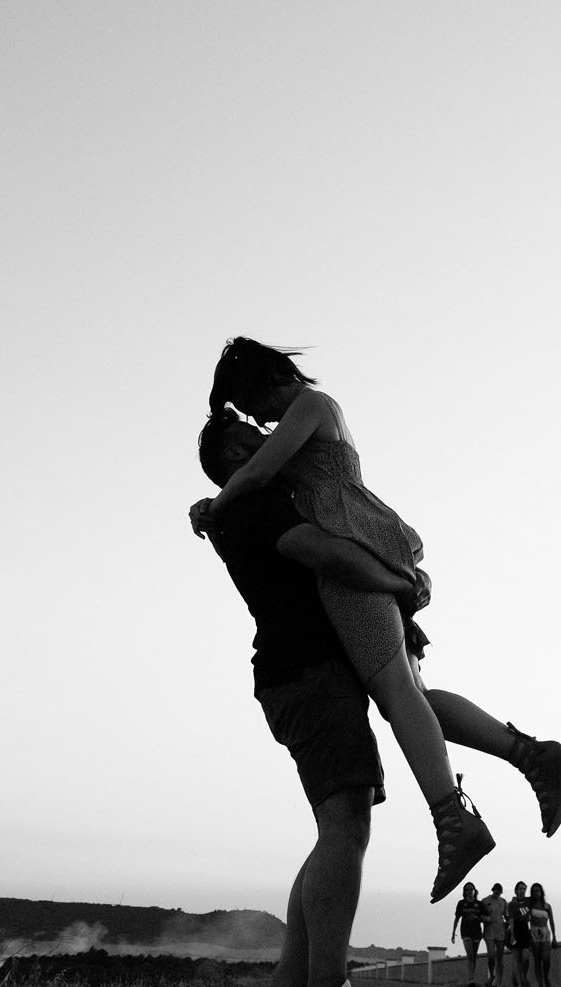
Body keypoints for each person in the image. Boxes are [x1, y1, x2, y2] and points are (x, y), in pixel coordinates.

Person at [194, 339, 561, 902]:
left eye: (250, 404)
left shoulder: (308, 407)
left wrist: (211, 507)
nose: (256, 420)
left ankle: (454, 822)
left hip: (350, 550)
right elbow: (257, 468)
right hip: (367, 538)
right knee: (411, 690)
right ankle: (532, 756)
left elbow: (256, 473)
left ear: (262, 379)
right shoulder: (311, 414)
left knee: (396, 692)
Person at [193, 416, 420, 987]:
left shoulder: (257, 503)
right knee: (347, 822)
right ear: (233, 463)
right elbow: (328, 555)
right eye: (247, 443)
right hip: (306, 673)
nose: (268, 443)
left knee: (337, 829)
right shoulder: (253, 507)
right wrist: (399, 583)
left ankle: (292, 979)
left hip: (304, 674)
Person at [451, 882, 486, 984]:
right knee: (470, 955)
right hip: (466, 932)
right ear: (464, 892)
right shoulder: (461, 903)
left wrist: (477, 918)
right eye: (467, 889)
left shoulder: (479, 904)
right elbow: (457, 919)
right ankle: (470, 979)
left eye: (471, 889)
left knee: (474, 956)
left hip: (477, 932)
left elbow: (485, 918)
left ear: (474, 890)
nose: (469, 891)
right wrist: (453, 933)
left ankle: (472, 978)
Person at [524, 882, 557, 987]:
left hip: (545, 932)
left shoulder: (547, 906)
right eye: (533, 891)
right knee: (537, 960)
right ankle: (540, 983)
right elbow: (523, 914)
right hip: (534, 932)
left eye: (538, 891)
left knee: (546, 958)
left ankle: (546, 977)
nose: (536, 893)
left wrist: (555, 938)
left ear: (541, 892)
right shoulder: (530, 905)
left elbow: (551, 921)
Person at [481, 883, 511, 987]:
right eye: (496, 892)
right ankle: (492, 976)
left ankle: (499, 982)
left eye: (499, 893)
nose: (497, 894)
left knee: (500, 958)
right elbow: (480, 915)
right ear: (492, 890)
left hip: (501, 933)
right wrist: (484, 918)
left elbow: (507, 916)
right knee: (491, 956)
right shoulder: (485, 901)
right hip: (489, 932)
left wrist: (508, 924)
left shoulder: (503, 902)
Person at [506, 879, 534, 987]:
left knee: (526, 957)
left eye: (524, 889)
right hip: (516, 929)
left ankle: (523, 976)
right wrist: (512, 935)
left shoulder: (528, 901)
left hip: (525, 929)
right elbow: (512, 920)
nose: (522, 891)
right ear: (516, 890)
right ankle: (518, 982)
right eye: (520, 889)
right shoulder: (512, 904)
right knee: (517, 960)